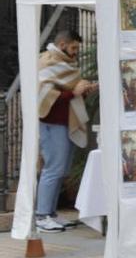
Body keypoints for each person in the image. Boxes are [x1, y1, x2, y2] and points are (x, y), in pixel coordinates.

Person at [35, 30, 96, 233]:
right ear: (62, 44)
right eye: (74, 48)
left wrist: (82, 90)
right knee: (53, 168)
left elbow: (65, 91)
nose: (76, 52)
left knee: (61, 170)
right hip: (52, 123)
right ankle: (42, 216)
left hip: (65, 121)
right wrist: (73, 92)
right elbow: (42, 94)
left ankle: (50, 214)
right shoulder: (47, 61)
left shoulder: (66, 63)